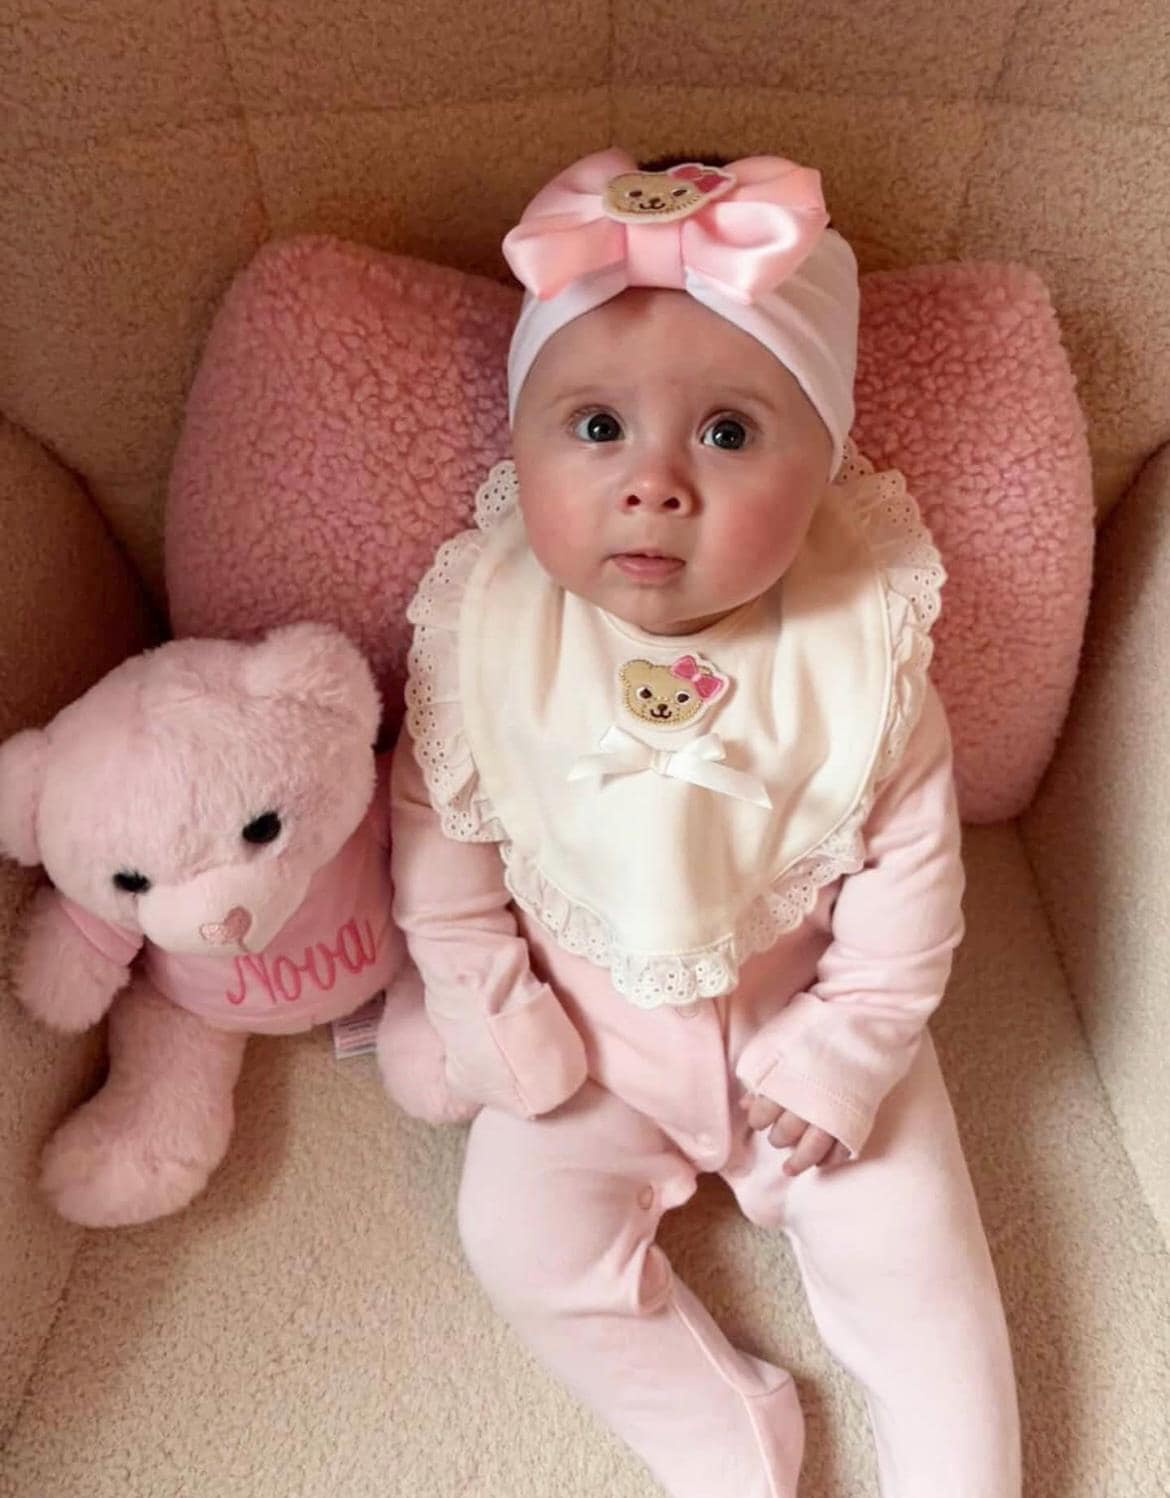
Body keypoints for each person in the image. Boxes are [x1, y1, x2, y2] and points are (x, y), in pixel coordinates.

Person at [389, 147, 1021, 1498]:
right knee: (520, 1240)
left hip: (806, 1021)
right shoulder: (489, 636)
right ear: (518, 441)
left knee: (924, 1275)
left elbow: (915, 869)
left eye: (728, 434)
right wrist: (489, 1004)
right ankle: (721, 1440)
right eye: (594, 427)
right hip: (590, 1038)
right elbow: (438, 844)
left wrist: (854, 1042)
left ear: (824, 463)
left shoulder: (855, 646)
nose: (654, 482)